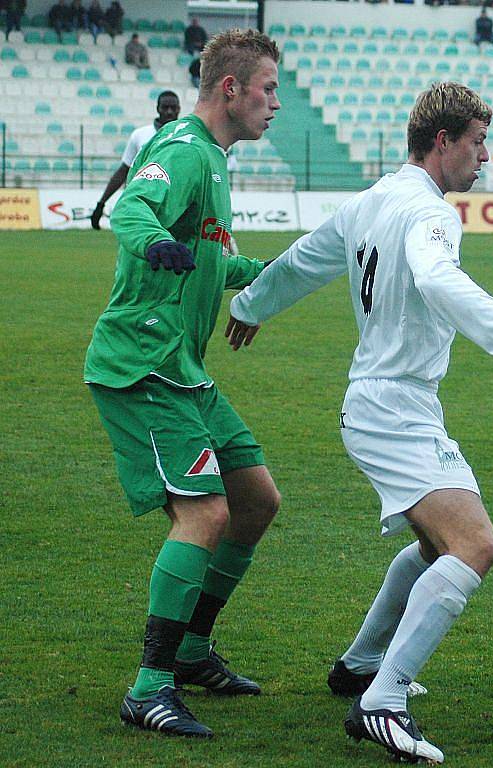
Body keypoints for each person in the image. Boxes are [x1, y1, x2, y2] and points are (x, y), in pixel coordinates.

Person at [226, 81, 493, 763]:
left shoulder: (371, 200)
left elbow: (306, 257)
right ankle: (382, 702)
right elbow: (440, 281)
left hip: (387, 402)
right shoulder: (432, 215)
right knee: (475, 546)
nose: (486, 156)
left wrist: (251, 303)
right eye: (477, 142)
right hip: (393, 408)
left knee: (433, 549)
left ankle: (359, 666)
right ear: (442, 141)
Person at [84, 28, 281, 738]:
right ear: (230, 88)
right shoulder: (181, 149)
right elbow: (136, 209)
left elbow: (213, 262)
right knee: (205, 515)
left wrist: (273, 276)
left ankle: (193, 652)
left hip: (184, 370)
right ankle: (149, 685)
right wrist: (153, 241)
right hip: (142, 364)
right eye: (267, 89)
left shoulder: (218, 162)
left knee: (255, 500)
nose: (275, 104)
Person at [90, 91, 180, 229]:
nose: (169, 112)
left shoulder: (186, 136)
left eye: (173, 108)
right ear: (157, 109)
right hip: (143, 202)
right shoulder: (140, 135)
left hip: (174, 204)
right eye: (165, 107)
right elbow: (123, 171)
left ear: (179, 109)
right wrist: (101, 203)